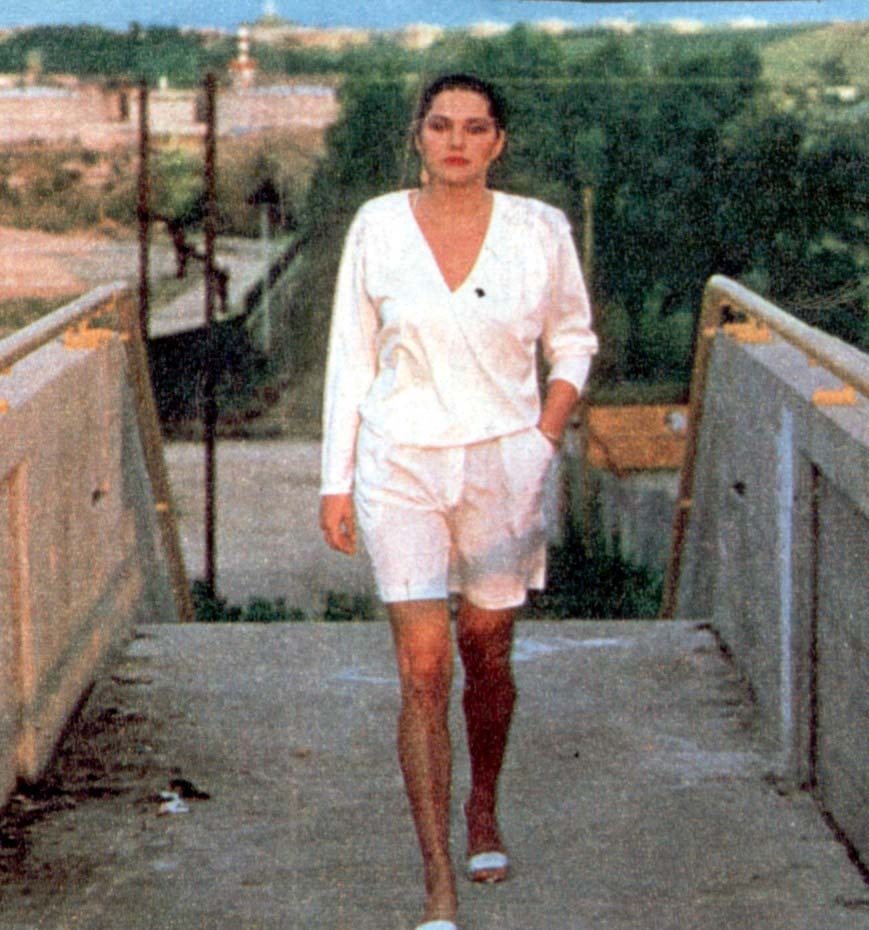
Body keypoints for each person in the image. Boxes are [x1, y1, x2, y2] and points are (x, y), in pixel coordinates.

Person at [320, 73, 597, 930]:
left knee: (486, 651)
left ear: (497, 143)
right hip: (399, 463)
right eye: (440, 126)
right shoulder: (377, 225)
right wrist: (335, 479)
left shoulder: (539, 229)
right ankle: (436, 877)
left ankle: (483, 806)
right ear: (418, 136)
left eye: (475, 128)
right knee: (421, 669)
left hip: (501, 466)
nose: (456, 142)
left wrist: (542, 435)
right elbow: (351, 356)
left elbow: (573, 340)